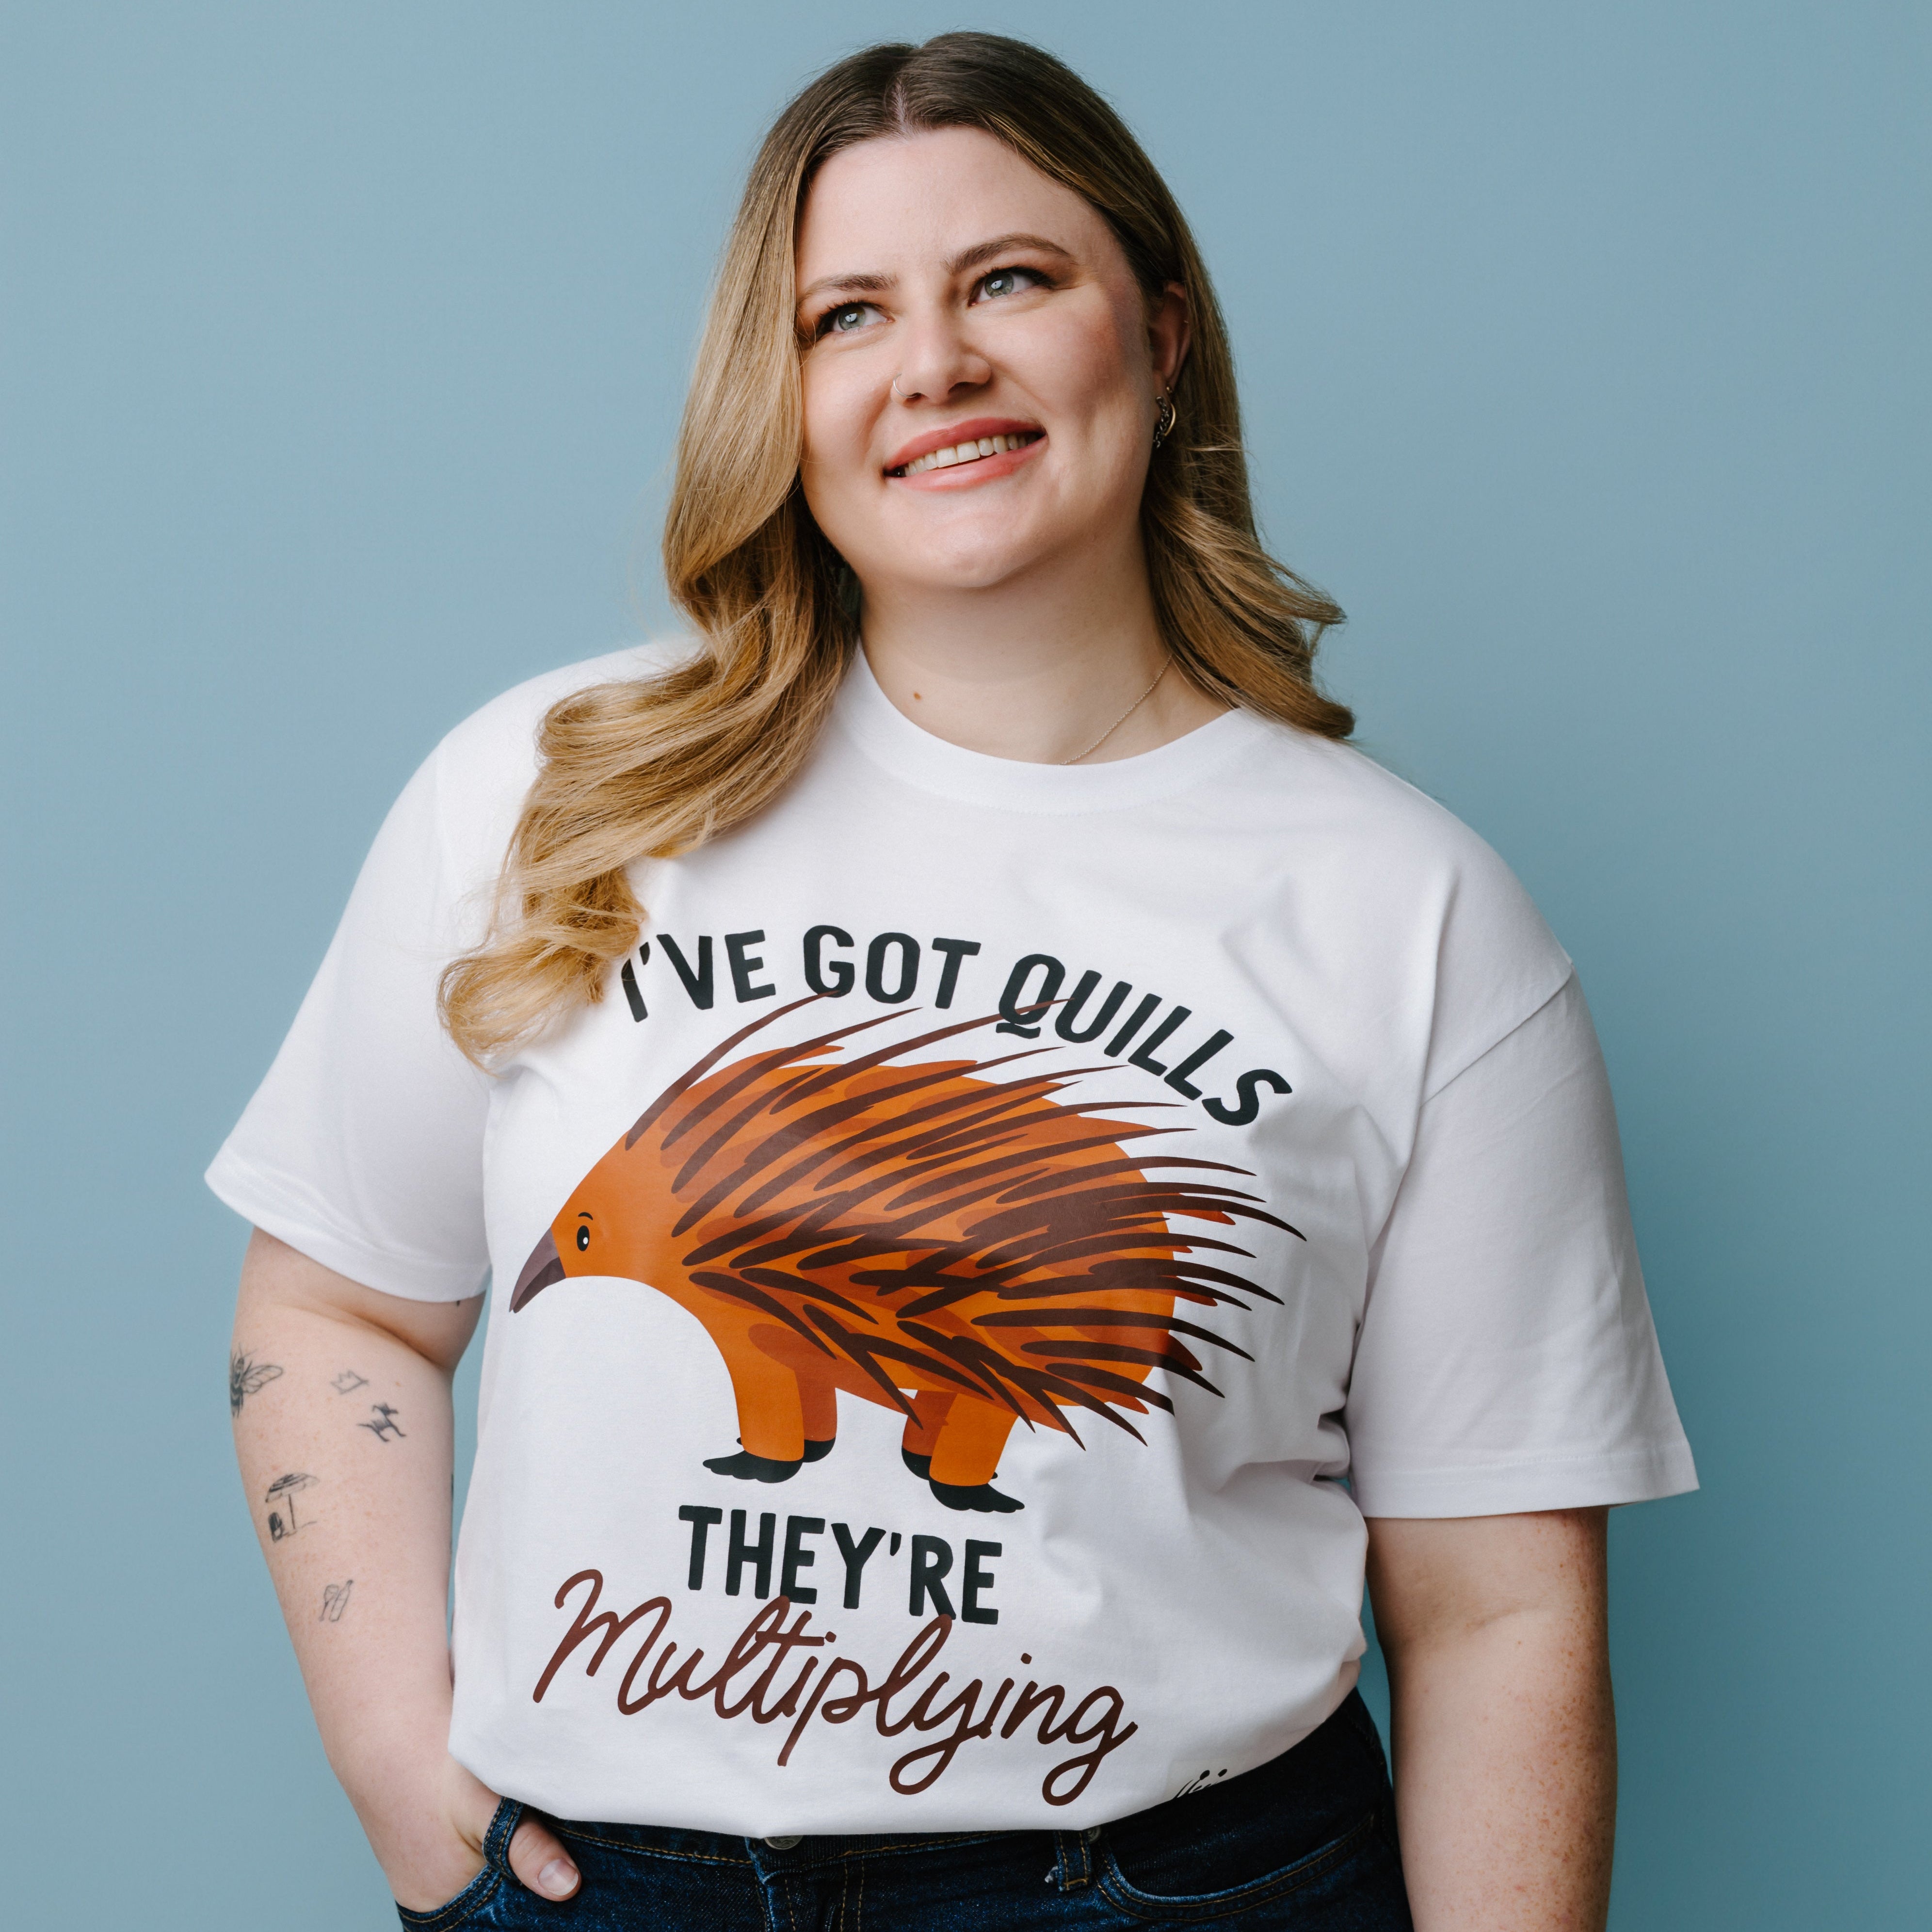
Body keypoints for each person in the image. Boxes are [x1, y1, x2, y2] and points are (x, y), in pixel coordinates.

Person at [212, 32, 1695, 1931]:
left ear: (1160, 335)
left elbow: (1496, 1607)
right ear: (782, 388)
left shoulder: (1414, 913)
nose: (935, 366)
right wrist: (401, 1775)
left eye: (1009, 279)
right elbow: (337, 1305)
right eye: (847, 314)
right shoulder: (550, 795)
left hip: (1175, 1885)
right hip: (613, 1887)